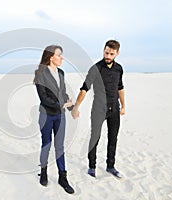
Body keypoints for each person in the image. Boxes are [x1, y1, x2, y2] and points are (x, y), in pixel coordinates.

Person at [72, 40, 125, 178]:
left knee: (113, 138)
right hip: (98, 109)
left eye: (111, 54)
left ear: (117, 53)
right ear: (103, 50)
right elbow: (84, 88)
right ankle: (92, 166)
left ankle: (110, 166)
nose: (108, 55)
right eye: (106, 52)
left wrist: (124, 106)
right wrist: (76, 106)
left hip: (114, 109)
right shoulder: (95, 68)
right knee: (95, 137)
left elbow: (120, 87)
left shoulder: (119, 68)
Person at [33, 45, 74, 194]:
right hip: (46, 115)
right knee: (46, 144)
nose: (61, 57)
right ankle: (43, 172)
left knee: (60, 146)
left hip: (60, 115)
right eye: (59, 55)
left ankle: (63, 177)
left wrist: (71, 106)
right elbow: (44, 98)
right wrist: (61, 104)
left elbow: (62, 92)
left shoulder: (61, 72)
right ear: (51, 57)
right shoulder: (40, 74)